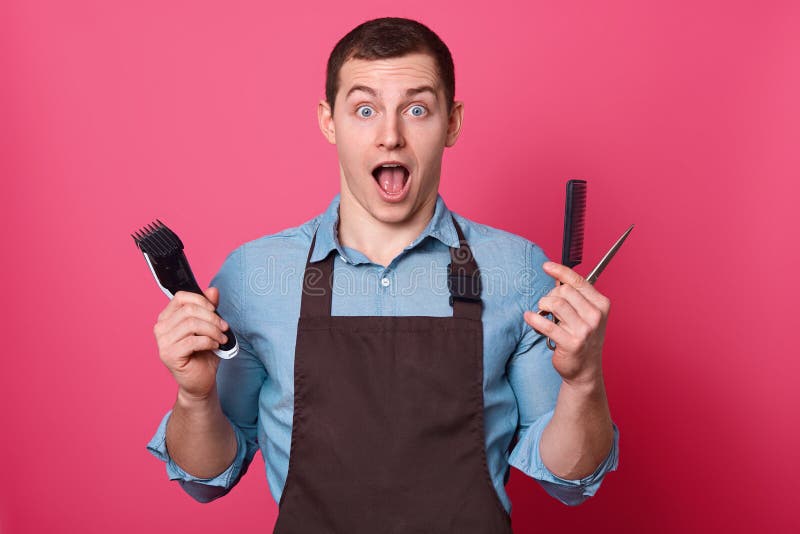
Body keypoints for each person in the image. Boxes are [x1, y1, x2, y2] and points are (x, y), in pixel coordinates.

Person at [147, 17, 619, 532]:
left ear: (453, 122)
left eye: (417, 109)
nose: (390, 136)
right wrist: (194, 397)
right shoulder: (255, 276)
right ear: (329, 121)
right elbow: (203, 479)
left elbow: (567, 481)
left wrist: (584, 380)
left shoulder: (519, 271)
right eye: (365, 110)